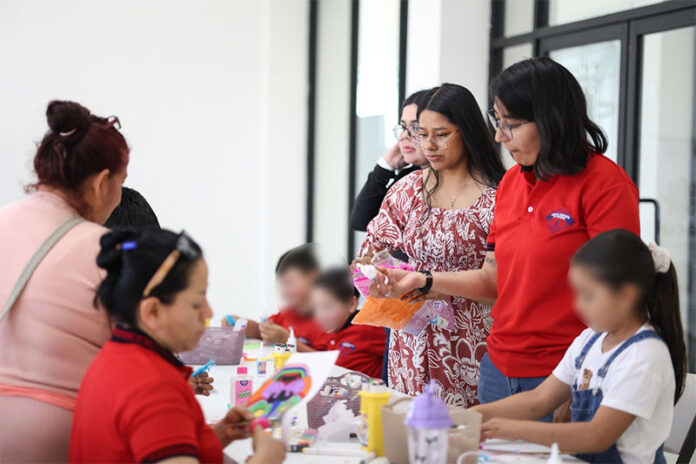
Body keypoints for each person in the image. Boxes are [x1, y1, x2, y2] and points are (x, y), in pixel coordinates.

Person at [370, 58, 640, 417]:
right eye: (497, 122)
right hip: (498, 366)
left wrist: (582, 373)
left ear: (551, 119)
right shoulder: (512, 183)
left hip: (563, 369)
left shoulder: (604, 184)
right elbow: (493, 279)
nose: (499, 136)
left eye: (511, 125)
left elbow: (621, 296)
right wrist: (423, 281)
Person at [69, 228, 285, 464]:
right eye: (196, 303)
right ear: (153, 312)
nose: (208, 312)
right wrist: (266, 460)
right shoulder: (154, 387)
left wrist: (219, 434)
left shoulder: (113, 356)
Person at [473, 229, 686, 464]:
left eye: (588, 296)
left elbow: (596, 436)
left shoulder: (645, 356)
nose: (577, 306)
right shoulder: (590, 339)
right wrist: (473, 415)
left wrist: (512, 430)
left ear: (627, 295)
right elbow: (539, 399)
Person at [358, 83, 506, 406]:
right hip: (410, 343)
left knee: (467, 429)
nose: (429, 145)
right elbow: (370, 253)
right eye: (421, 134)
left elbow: (503, 282)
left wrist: (433, 283)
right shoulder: (407, 190)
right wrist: (377, 276)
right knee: (409, 425)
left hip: (470, 340)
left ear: (467, 131)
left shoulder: (497, 198)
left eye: (441, 134)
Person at [0, 100, 129, 462]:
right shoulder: (104, 250)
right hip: (65, 441)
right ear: (102, 183)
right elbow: (134, 362)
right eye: (121, 183)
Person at [350, 90, 429, 232]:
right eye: (403, 127)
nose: (404, 136)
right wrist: (385, 166)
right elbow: (361, 221)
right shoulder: (408, 178)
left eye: (416, 127)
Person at [224, 244, 327, 351]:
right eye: (281, 284)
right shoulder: (287, 315)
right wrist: (239, 323)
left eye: (289, 282)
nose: (284, 290)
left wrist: (287, 340)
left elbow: (328, 360)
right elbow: (262, 332)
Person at [311, 267, 386, 378]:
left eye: (327, 306)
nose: (320, 314)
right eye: (315, 307)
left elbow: (399, 349)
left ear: (351, 304)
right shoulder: (334, 328)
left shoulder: (368, 329)